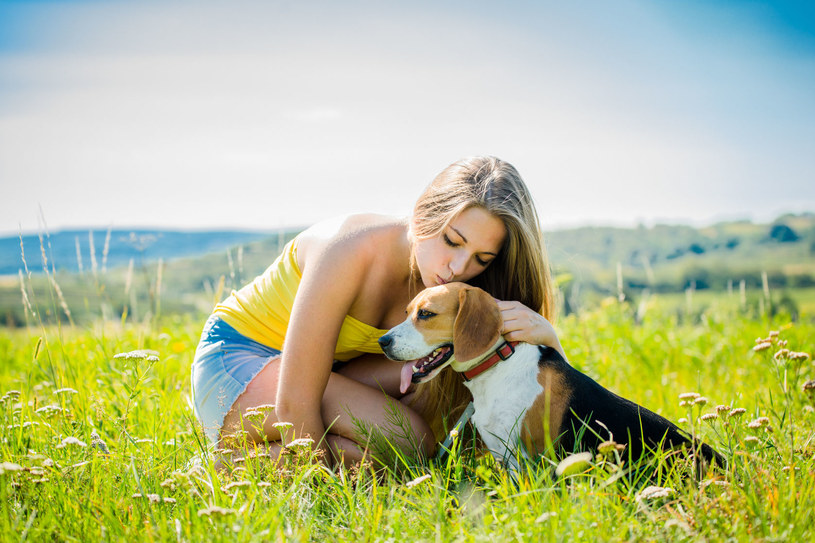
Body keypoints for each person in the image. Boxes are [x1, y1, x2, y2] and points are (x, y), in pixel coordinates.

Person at [190, 156, 565, 467]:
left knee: (413, 446)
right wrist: (314, 482)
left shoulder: (451, 294)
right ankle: (221, 469)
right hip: (240, 359)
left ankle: (248, 460)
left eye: (481, 259)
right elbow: (295, 402)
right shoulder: (349, 248)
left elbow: (529, 393)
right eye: (452, 241)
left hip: (329, 377)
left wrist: (548, 339)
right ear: (423, 214)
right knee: (408, 443)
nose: (458, 267)